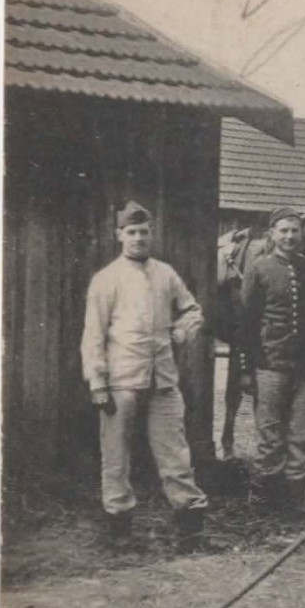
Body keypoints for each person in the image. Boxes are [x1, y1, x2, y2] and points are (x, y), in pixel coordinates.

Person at [81, 201, 211, 550]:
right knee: (116, 456)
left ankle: (191, 528)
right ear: (119, 236)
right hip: (121, 381)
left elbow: (192, 310)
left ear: (152, 234)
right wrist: (97, 382)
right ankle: (119, 531)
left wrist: (181, 333)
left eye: (144, 232)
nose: (138, 238)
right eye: (131, 232)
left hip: (163, 380)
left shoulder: (166, 274)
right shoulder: (106, 279)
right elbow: (93, 334)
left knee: (175, 454)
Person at [240, 206, 305, 517]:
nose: (289, 236)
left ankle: (294, 505)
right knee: (270, 436)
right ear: (272, 234)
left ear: (301, 235)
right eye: (283, 230)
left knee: (300, 436)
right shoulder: (259, 269)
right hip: (269, 365)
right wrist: (245, 370)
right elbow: (246, 323)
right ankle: (263, 506)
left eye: (294, 231)